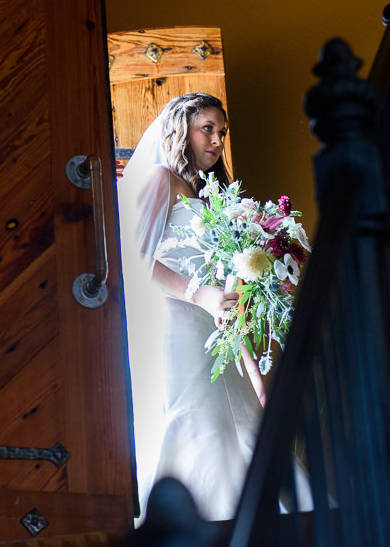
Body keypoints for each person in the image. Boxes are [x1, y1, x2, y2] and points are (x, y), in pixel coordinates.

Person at [119, 92, 309, 521]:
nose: (218, 140)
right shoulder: (162, 181)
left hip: (217, 334)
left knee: (240, 428)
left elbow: (224, 298)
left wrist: (254, 370)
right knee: (199, 424)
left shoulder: (211, 196)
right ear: (180, 129)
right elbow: (133, 262)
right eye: (208, 128)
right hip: (177, 329)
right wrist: (194, 293)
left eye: (221, 132)